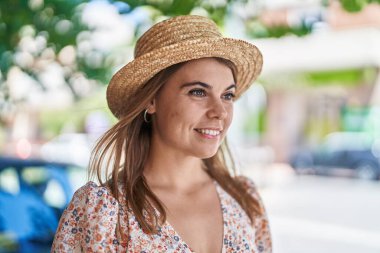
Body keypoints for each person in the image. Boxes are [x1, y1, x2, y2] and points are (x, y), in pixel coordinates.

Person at [51, 15, 271, 253]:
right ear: (151, 100)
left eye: (227, 95)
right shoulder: (103, 212)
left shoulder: (244, 198)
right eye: (198, 92)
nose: (220, 112)